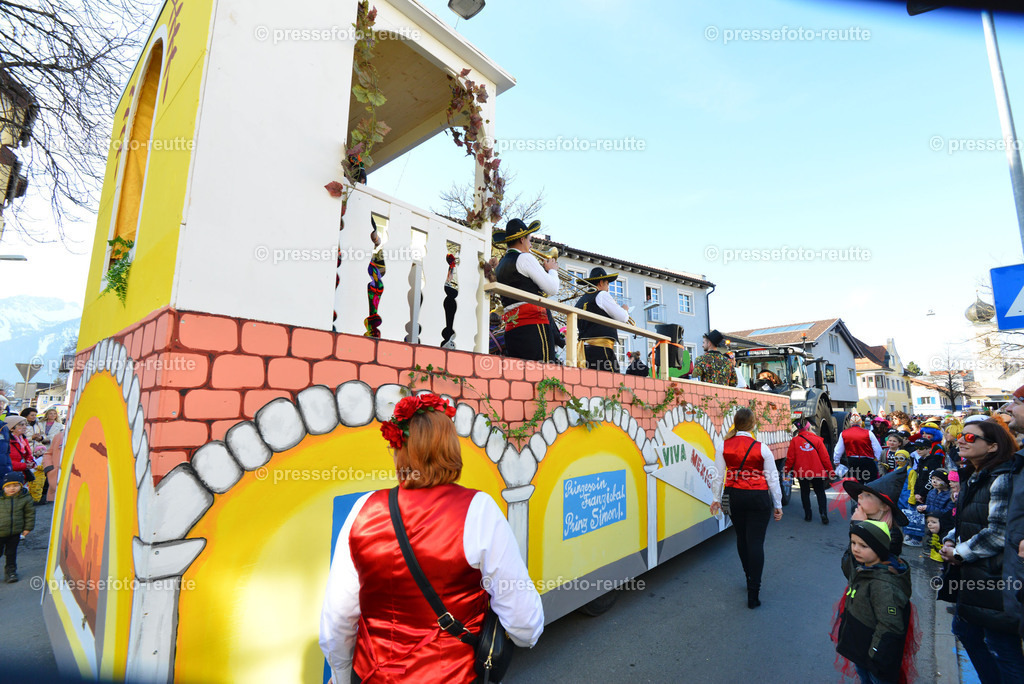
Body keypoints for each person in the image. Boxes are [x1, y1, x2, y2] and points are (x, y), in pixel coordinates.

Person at [320, 393, 544, 683]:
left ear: (399, 449)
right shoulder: (479, 510)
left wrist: (340, 674)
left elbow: (338, 618)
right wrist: (525, 638)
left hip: (371, 675)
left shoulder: (363, 509)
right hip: (452, 675)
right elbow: (523, 618)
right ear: (450, 448)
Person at [940, 419, 1024, 683]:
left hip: (996, 579)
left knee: (1002, 648)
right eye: (962, 436)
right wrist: (952, 538)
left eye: (971, 438)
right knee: (967, 632)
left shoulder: (1001, 478)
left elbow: (999, 533)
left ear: (993, 447)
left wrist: (959, 553)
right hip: (978, 578)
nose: (962, 440)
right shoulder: (977, 475)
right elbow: (970, 521)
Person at [710, 408, 783, 609]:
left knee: (742, 538)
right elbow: (773, 479)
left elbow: (717, 476)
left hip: (733, 496)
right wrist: (777, 504)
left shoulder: (723, 445)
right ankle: (754, 591)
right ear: (752, 424)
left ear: (735, 423)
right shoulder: (762, 448)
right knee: (756, 543)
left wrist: (716, 499)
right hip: (758, 498)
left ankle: (748, 576)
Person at [833, 520, 915, 684]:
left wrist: (874, 654)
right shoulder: (865, 567)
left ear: (879, 548)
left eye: (864, 546)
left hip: (875, 658)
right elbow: (847, 567)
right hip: (862, 650)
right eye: (853, 543)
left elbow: (890, 625)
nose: (856, 549)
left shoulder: (883, 585)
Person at [491, 218, 560, 363]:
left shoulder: (501, 265)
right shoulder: (525, 258)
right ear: (522, 239)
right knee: (544, 372)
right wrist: (552, 270)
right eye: (529, 239)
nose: (530, 244)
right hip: (534, 326)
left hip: (512, 329)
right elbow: (552, 288)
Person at [574, 267, 629, 373]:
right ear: (601, 283)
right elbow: (623, 317)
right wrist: (625, 310)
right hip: (601, 349)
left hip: (585, 351)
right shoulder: (602, 295)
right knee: (615, 382)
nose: (608, 288)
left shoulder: (581, 300)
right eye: (607, 284)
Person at [785, 418, 834, 524]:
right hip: (817, 471)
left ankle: (808, 514)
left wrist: (786, 471)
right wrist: (831, 471)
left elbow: (790, 458)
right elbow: (825, 458)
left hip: (802, 472)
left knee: (805, 492)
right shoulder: (817, 440)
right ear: (809, 428)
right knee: (820, 492)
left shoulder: (795, 441)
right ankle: (823, 513)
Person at [844, 479, 908, 557]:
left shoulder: (893, 534)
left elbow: (866, 562)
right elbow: (847, 561)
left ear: (884, 506)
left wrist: (858, 526)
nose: (859, 495)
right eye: (862, 492)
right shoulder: (863, 520)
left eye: (868, 494)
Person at [0, 472, 35, 583]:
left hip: (15, 532)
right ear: (3, 487)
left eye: (15, 485)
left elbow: (30, 514)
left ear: (21, 485)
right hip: (0, 532)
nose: (12, 489)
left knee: (11, 553)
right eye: (8, 486)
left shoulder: (25, 498)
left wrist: (27, 528)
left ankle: (11, 571)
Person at [834, 415, 883, 485]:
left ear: (851, 424)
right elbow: (877, 449)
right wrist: (879, 460)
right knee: (871, 483)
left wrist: (836, 461)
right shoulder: (868, 433)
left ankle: (858, 495)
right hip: (867, 461)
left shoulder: (844, 433)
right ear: (860, 423)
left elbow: (838, 450)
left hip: (853, 461)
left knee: (857, 483)